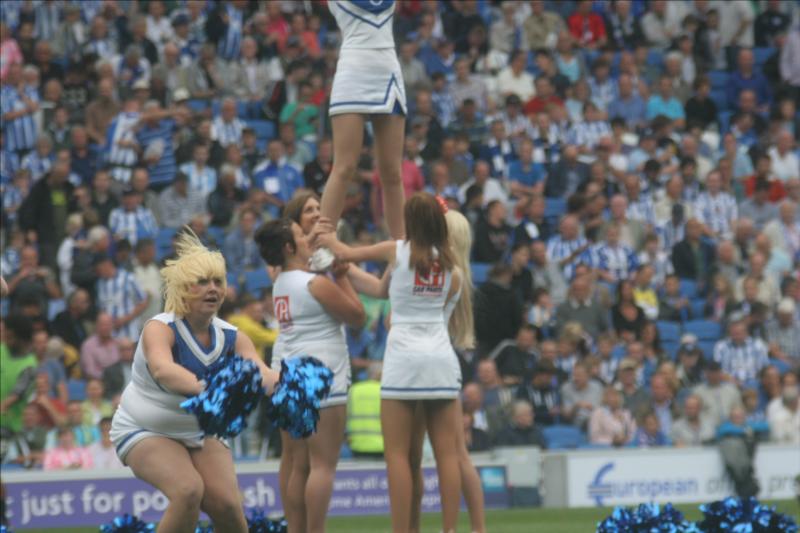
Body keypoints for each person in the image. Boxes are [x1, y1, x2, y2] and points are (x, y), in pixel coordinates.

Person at [318, 193, 469, 533]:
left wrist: (325, 233)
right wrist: (351, 270)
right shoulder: (453, 268)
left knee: (398, 455)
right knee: (447, 454)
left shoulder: (396, 250)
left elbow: (343, 252)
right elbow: (386, 289)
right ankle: (449, 529)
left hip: (403, 358)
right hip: (441, 359)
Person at [110, 231, 280, 532]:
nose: (212, 289)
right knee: (188, 490)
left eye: (217, 282)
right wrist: (210, 390)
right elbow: (164, 370)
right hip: (145, 427)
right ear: (182, 289)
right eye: (202, 282)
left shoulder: (232, 336)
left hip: (201, 430)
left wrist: (288, 381)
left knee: (228, 506)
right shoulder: (160, 328)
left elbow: (261, 374)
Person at [255, 218, 365, 533]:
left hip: (288, 376)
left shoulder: (280, 281)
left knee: (298, 465)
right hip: (321, 375)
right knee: (323, 466)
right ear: (289, 247)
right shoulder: (314, 283)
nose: (307, 240)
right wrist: (341, 276)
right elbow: (357, 316)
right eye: (302, 236)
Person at [320, 0, 407, 249]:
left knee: (391, 172)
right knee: (345, 166)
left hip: (388, 72)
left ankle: (401, 248)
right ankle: (322, 246)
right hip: (353, 72)